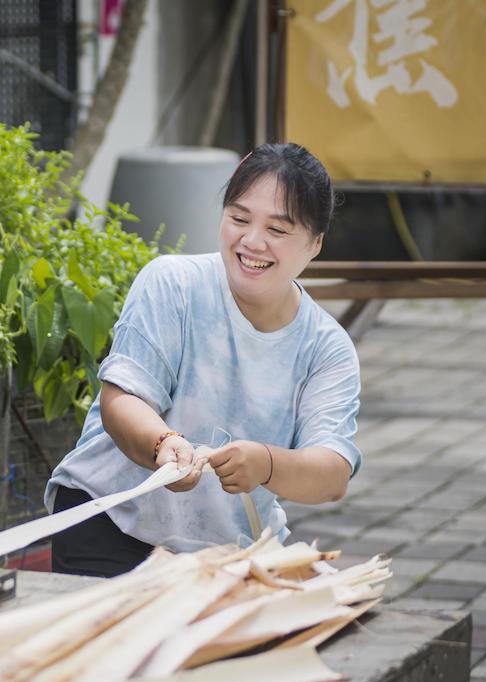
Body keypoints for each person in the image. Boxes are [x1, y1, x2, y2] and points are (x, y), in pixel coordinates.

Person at [44, 143, 361, 578]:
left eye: (278, 229)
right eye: (239, 218)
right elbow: (121, 401)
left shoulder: (327, 348)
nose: (252, 241)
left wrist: (266, 464)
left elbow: (331, 474)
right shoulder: (172, 284)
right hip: (109, 523)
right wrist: (162, 445)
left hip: (225, 552)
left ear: (315, 243)